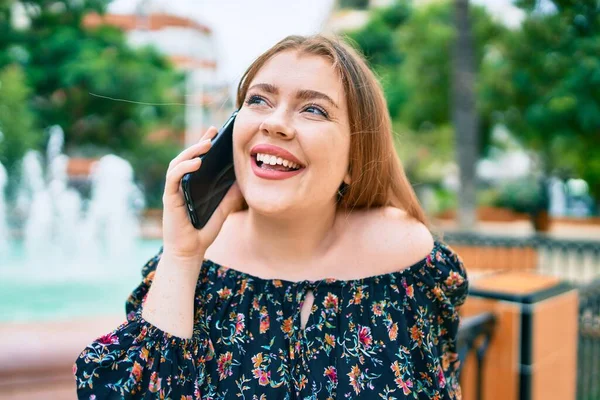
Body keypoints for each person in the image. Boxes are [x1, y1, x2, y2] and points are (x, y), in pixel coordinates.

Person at [74, 34, 468, 399]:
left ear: (355, 156)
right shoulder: (189, 268)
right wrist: (182, 255)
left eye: (313, 109)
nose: (274, 122)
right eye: (259, 100)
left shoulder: (409, 261)